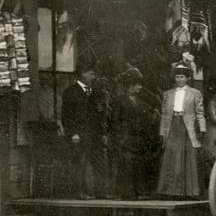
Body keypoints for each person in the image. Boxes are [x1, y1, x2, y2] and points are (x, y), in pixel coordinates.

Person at [156, 63, 207, 198]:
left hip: (187, 128)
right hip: (173, 126)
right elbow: (164, 114)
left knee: (187, 157)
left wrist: (202, 129)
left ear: (188, 78)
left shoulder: (195, 93)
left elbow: (200, 113)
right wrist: (162, 132)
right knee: (172, 156)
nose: (179, 80)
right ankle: (170, 191)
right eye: (177, 77)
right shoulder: (168, 94)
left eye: (182, 77)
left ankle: (189, 191)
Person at [60, 64, 107, 199]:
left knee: (99, 162)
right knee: (80, 163)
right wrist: (73, 132)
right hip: (80, 134)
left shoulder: (95, 92)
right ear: (83, 73)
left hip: (95, 133)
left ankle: (100, 193)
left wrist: (103, 133)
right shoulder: (71, 92)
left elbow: (100, 115)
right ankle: (79, 192)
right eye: (91, 74)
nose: (94, 77)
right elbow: (67, 116)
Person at [111, 69, 155, 200]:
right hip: (125, 137)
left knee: (139, 164)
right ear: (129, 85)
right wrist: (120, 136)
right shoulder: (119, 101)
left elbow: (146, 118)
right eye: (137, 85)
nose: (140, 87)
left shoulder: (141, 102)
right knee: (127, 164)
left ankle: (140, 192)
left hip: (138, 137)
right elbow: (114, 120)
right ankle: (127, 193)